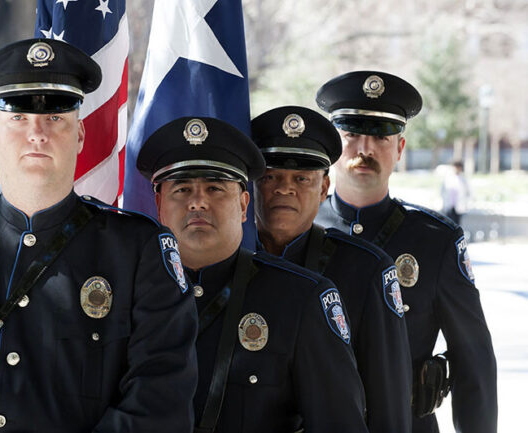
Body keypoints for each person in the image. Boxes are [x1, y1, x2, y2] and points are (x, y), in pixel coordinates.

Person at [0, 38, 198, 433]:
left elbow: (161, 398)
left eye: (54, 118)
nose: (37, 133)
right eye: (17, 117)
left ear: (79, 135)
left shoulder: (138, 252)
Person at [136, 116, 368, 433]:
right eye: (182, 189)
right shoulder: (130, 290)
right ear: (159, 204)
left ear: (244, 204)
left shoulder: (301, 299)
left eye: (215, 187)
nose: (198, 201)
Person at [315, 70, 497, 433]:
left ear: (399, 148)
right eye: (351, 133)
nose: (365, 149)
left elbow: (472, 360)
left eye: (381, 136)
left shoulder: (435, 240)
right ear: (334, 146)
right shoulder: (299, 230)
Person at [251, 105, 413, 433]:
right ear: (250, 186)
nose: (285, 188)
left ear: (324, 188)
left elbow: (387, 400)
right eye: (270, 177)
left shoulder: (366, 269)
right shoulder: (226, 261)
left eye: (301, 178)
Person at [441, 160, 470, 225]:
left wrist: (466, 204)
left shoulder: (463, 179)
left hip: (459, 206)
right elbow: (443, 192)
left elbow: (468, 193)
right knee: (448, 223)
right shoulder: (448, 178)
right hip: (449, 205)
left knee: (457, 224)